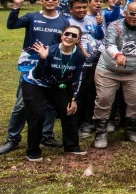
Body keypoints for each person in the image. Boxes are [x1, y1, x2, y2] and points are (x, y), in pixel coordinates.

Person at [1, 0, 67, 156]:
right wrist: (16, 7)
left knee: (50, 104)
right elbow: (11, 25)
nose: (51, 1)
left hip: (51, 67)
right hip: (30, 67)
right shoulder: (32, 17)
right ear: (42, 1)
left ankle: (47, 135)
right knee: (22, 104)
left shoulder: (64, 22)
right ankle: (12, 139)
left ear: (58, 2)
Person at [93, 0, 136, 149]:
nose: (135, 17)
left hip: (133, 71)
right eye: (132, 13)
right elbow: (109, 44)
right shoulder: (115, 26)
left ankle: (131, 130)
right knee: (104, 98)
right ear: (125, 13)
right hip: (108, 69)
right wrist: (117, 55)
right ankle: (101, 133)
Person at [21, 25, 88, 161]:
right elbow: (38, 74)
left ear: (78, 39)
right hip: (34, 83)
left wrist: (73, 99)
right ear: (62, 35)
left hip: (54, 85)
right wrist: (43, 58)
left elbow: (78, 78)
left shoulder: (79, 55)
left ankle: (71, 146)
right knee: (38, 114)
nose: (69, 37)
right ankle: (33, 150)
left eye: (73, 35)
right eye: (67, 34)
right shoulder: (50, 51)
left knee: (69, 109)